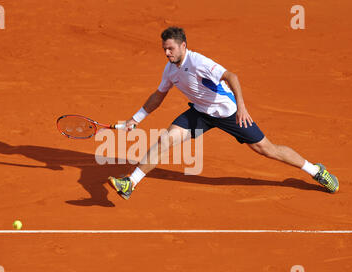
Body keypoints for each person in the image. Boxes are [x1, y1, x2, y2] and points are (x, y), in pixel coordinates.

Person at [108, 26, 339, 200]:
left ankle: (315, 170)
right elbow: (158, 96)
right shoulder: (170, 71)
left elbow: (231, 77)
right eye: (164, 49)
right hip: (200, 114)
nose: (167, 53)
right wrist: (135, 119)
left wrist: (242, 108)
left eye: (171, 48)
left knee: (267, 149)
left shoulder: (199, 62)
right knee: (165, 140)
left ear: (183, 46)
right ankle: (130, 183)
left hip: (229, 113)